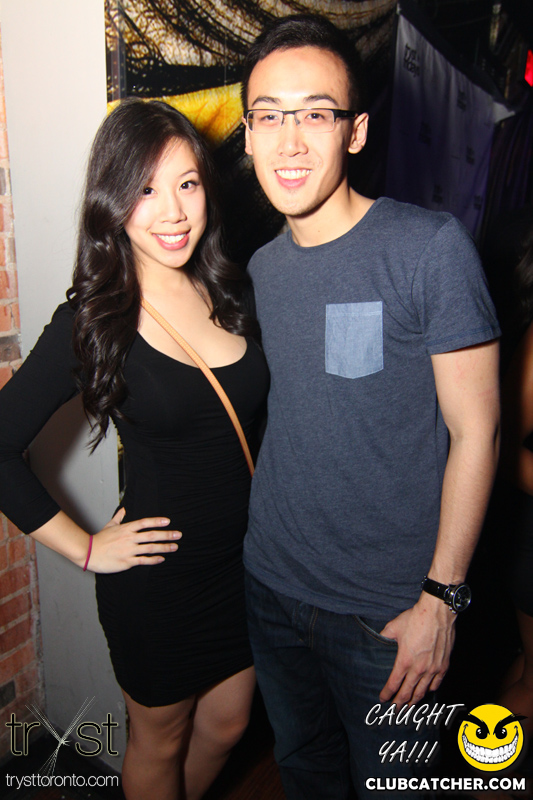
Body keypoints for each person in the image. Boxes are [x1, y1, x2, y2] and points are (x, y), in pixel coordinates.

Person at [239, 14, 501, 799]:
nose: (289, 142)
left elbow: (478, 431)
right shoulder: (260, 268)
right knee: (303, 773)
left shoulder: (428, 249)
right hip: (272, 589)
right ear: (246, 135)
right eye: (268, 117)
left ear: (354, 132)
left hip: (386, 619)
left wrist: (441, 601)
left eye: (315, 114)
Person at [0, 99, 269, 800]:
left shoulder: (231, 290)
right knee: (161, 739)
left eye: (187, 183)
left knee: (229, 723)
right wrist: (87, 548)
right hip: (161, 584)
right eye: (146, 189)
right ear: (112, 202)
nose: (172, 211)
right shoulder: (97, 319)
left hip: (245, 567)